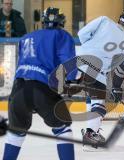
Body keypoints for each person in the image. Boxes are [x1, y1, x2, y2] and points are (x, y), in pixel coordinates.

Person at [2, 7, 75, 160]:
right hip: (41, 89)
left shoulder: (26, 37)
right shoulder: (61, 35)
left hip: (17, 92)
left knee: (16, 133)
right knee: (63, 128)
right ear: (61, 21)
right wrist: (73, 81)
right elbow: (70, 66)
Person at [75, 10, 124, 148]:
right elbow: (115, 63)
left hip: (79, 60)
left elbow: (82, 34)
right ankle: (91, 134)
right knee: (99, 105)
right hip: (97, 70)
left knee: (92, 97)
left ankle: (92, 131)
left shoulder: (104, 19)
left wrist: (89, 48)